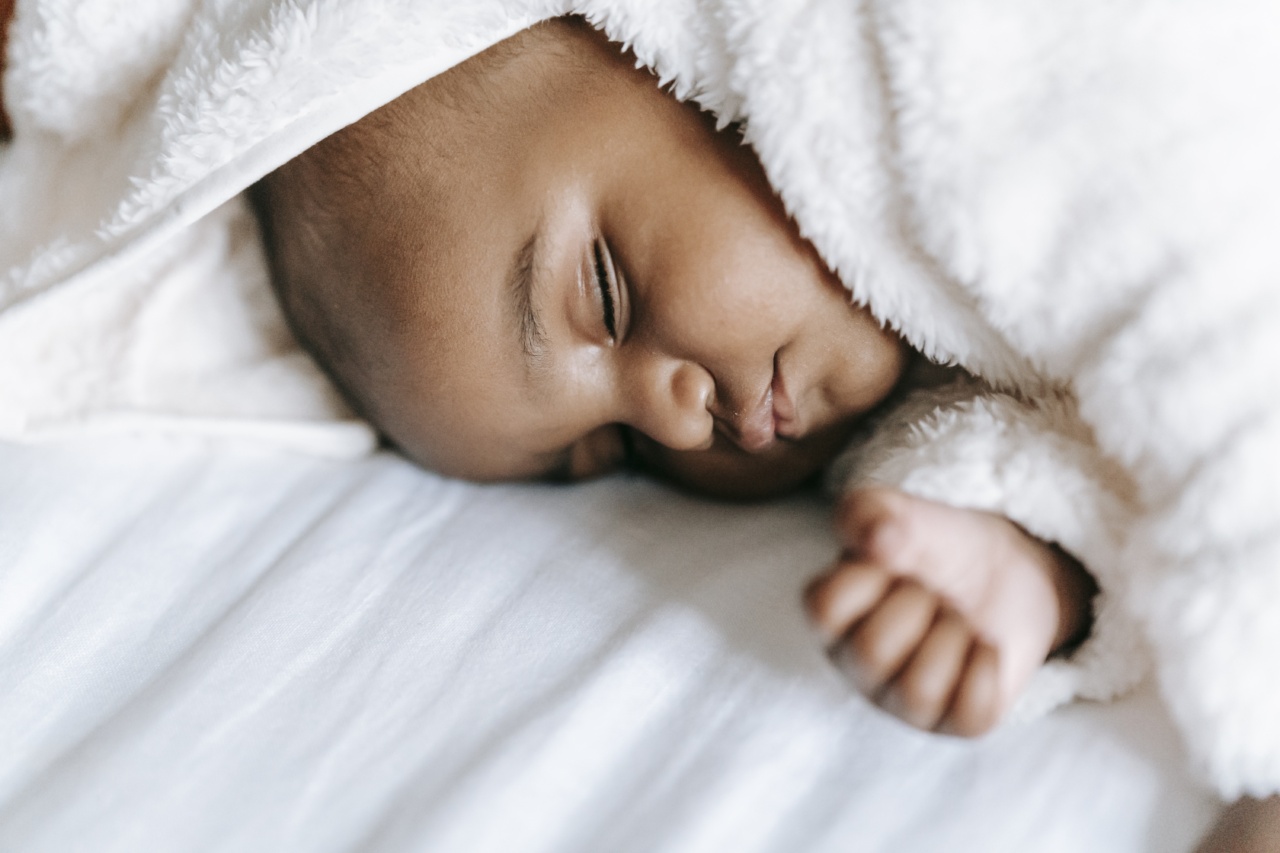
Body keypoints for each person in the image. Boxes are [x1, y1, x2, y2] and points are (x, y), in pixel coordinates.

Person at [4, 8, 1276, 850]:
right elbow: (1080, 412)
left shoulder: (932, 52)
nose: (677, 414)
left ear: (646, 44)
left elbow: (1210, 300)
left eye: (603, 295)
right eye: (606, 455)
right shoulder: (879, 318)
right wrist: (1017, 550)